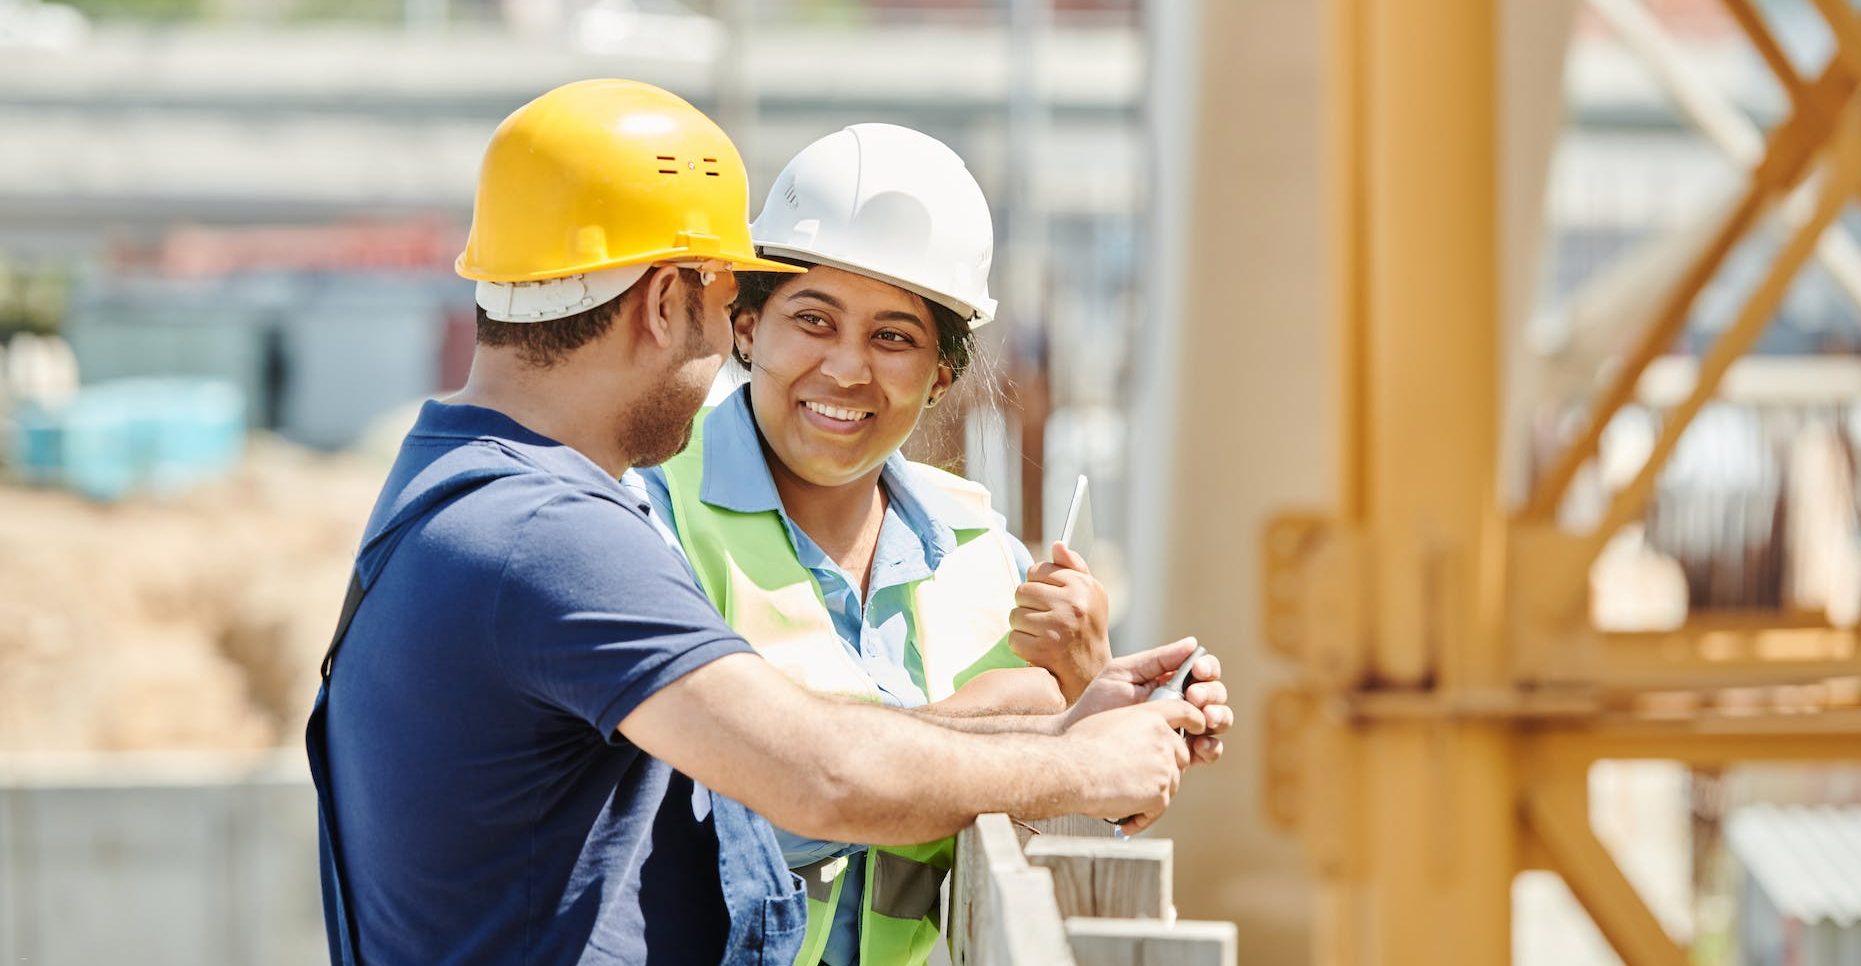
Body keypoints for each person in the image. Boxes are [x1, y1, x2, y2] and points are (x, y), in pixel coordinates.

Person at [306, 80, 1230, 965]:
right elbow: (816, 774)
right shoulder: (552, 536)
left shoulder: (465, 488)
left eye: (893, 336)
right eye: (728, 308)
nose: (725, 350)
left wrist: (1068, 721)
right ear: (668, 303)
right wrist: (1075, 767)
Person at [627, 123, 1224, 966]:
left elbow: (1062, 829)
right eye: (814, 319)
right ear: (747, 329)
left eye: (893, 336)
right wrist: (993, 723)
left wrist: (1092, 690)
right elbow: (708, 818)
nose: (845, 369)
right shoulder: (649, 516)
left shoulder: (989, 556)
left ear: (941, 375)